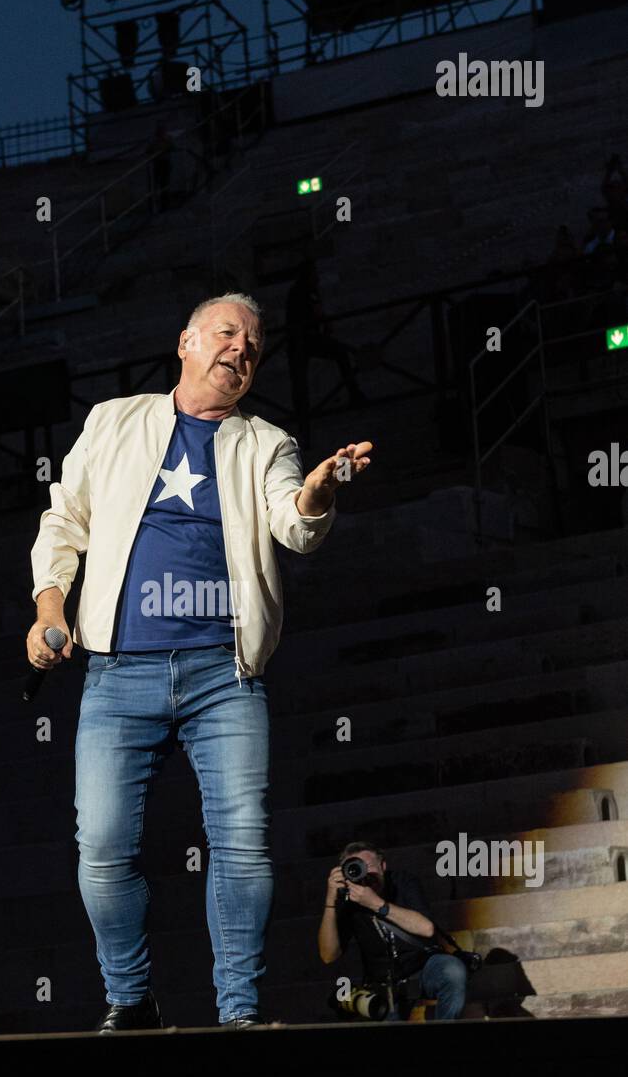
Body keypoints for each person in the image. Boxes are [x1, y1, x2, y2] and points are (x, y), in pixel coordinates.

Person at [26, 293, 373, 1032]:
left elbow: (294, 524)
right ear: (184, 341)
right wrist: (49, 609)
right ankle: (130, 997)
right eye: (227, 334)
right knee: (103, 844)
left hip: (225, 675)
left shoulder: (267, 443)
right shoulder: (113, 420)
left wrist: (319, 488)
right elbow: (65, 519)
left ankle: (239, 1013)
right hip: (120, 672)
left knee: (243, 841)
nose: (241, 350)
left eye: (254, 345)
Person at [318, 841, 467, 1021]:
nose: (365, 873)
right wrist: (330, 900)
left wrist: (375, 903)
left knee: (452, 970)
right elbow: (328, 955)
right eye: (355, 868)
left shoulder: (402, 882)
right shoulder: (348, 900)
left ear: (383, 866)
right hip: (382, 982)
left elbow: (427, 929)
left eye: (369, 866)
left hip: (423, 966)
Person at [285, 258, 366, 449]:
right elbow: (311, 316)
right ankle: (305, 427)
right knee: (301, 385)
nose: (318, 278)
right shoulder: (303, 292)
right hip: (301, 342)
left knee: (301, 384)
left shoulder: (302, 291)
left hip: (302, 341)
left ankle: (305, 426)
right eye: (314, 274)